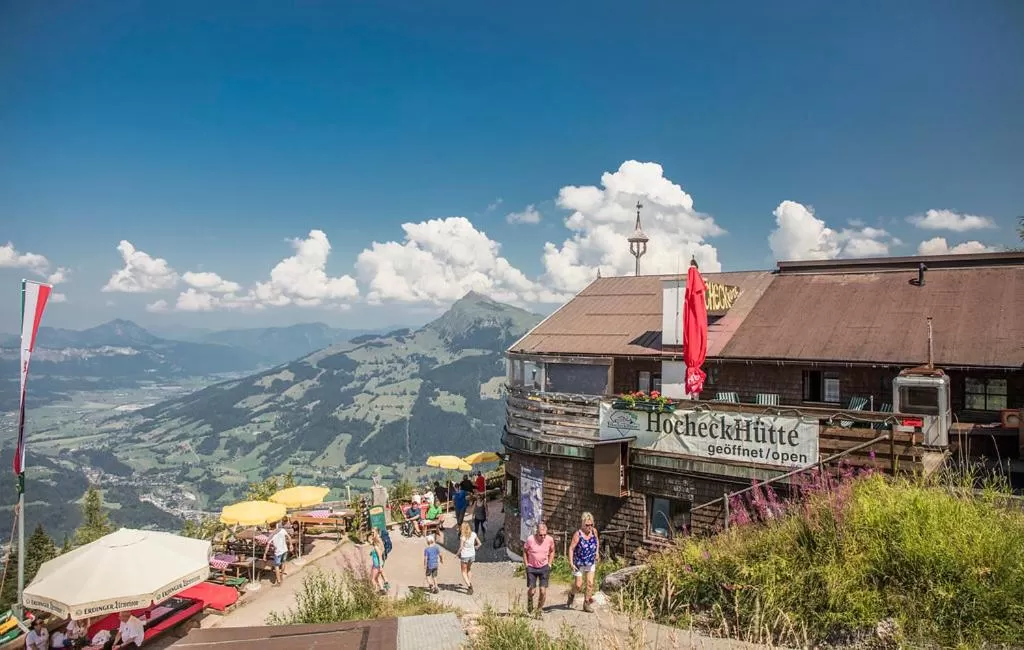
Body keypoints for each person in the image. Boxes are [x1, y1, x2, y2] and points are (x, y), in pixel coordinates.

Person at [567, 511, 600, 613]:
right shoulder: (578, 535)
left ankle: (586, 604)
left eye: (591, 525)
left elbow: (597, 541)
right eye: (587, 525)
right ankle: (571, 594)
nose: (589, 527)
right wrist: (571, 563)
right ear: (582, 524)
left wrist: (597, 552)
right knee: (578, 585)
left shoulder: (594, 531)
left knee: (590, 583)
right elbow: (571, 548)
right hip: (579, 562)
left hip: (590, 561)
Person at [523, 521, 555, 618]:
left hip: (544, 567)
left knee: (542, 591)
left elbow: (552, 551)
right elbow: (525, 551)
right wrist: (526, 565)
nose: (543, 537)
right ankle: (530, 601)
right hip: (532, 567)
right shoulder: (530, 539)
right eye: (541, 535)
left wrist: (549, 564)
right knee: (532, 591)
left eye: (545, 535)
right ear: (536, 533)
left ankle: (539, 610)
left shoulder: (549, 540)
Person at [263, 519, 293, 586]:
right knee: (283, 563)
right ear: (276, 525)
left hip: (278, 552)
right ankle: (281, 575)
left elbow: (268, 546)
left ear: (270, 526)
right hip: (285, 550)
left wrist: (265, 554)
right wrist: (291, 545)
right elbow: (289, 537)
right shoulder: (282, 530)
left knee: (276, 566)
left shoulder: (271, 535)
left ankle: (279, 581)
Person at [458, 522, 481, 595]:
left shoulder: (463, 536)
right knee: (469, 569)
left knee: (463, 571)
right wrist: (475, 547)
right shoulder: (473, 534)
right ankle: (469, 582)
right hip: (472, 555)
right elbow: (479, 544)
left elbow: (461, 547)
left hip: (465, 555)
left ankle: (469, 586)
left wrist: (457, 554)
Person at [369, 528, 388, 593]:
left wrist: (380, 566)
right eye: (371, 532)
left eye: (373, 532)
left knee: (373, 579)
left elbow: (379, 556)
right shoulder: (377, 544)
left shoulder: (376, 547)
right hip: (378, 564)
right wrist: (372, 552)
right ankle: (382, 590)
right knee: (378, 577)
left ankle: (375, 591)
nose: (372, 533)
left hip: (376, 565)